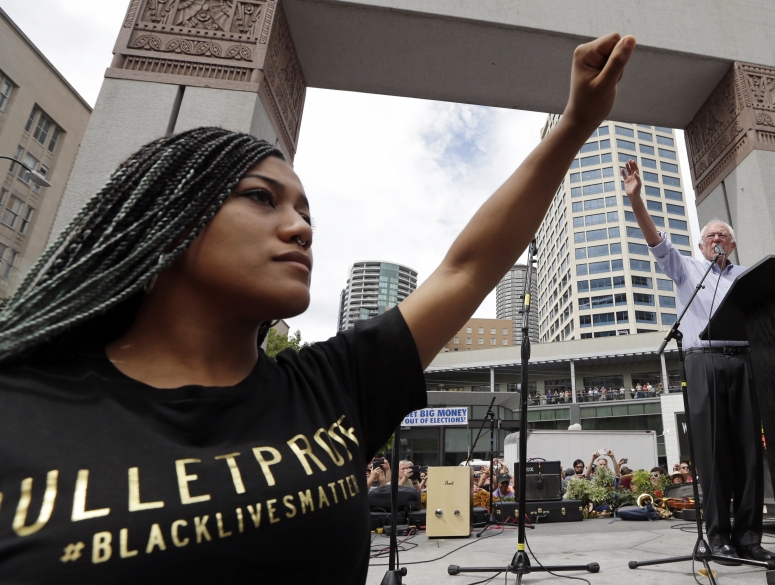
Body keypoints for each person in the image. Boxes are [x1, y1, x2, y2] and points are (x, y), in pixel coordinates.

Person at [0, 32, 637, 584]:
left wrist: (577, 123)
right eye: (261, 198)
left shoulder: (334, 385)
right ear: (169, 221)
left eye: (305, 211)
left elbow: (466, 268)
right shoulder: (22, 408)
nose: (300, 228)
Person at [623, 159, 775, 565]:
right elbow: (654, 238)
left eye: (724, 234)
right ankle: (719, 536)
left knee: (747, 451)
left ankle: (749, 537)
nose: (717, 238)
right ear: (701, 245)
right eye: (710, 235)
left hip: (743, 362)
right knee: (711, 453)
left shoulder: (748, 277)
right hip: (703, 363)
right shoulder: (687, 269)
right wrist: (637, 199)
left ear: (734, 243)